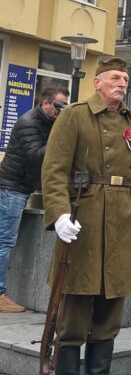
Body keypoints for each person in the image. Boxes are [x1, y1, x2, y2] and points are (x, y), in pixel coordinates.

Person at [41, 57, 131, 375]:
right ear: (98, 82)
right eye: (115, 78)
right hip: (83, 218)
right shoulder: (74, 116)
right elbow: (54, 168)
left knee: (110, 306)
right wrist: (58, 213)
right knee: (75, 305)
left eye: (124, 78)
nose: (122, 83)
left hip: (122, 221)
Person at [0, 87, 70, 313]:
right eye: (58, 106)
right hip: (12, 188)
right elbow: (36, 156)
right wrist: (61, 135)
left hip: (23, 187)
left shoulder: (48, 122)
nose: (60, 111)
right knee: (5, 241)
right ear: (45, 103)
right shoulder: (28, 122)